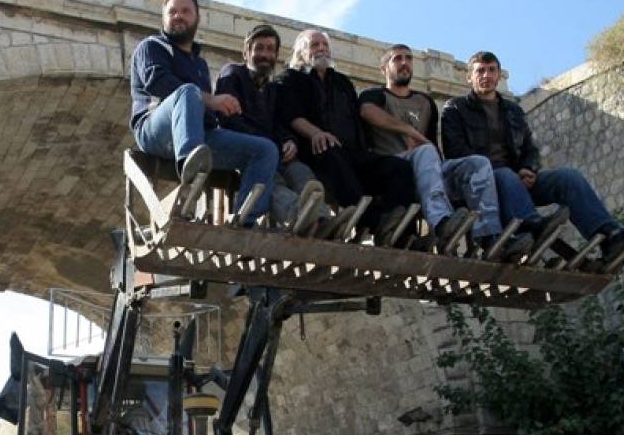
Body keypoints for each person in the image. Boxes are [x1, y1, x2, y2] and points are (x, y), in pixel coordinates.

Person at [441, 51, 624, 264]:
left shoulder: (512, 111)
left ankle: (610, 236)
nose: (486, 76)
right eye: (480, 71)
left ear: (498, 75)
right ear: (469, 77)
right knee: (504, 174)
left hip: (515, 181)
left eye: (491, 70)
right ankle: (531, 226)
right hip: (483, 184)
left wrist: (528, 168)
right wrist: (508, 172)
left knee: (568, 177)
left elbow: (529, 148)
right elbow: (456, 151)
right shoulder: (455, 108)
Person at [360, 44, 534, 259]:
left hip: (429, 169)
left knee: (477, 163)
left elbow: (434, 145)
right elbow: (368, 112)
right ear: (384, 69)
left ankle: (490, 237)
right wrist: (410, 132)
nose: (404, 62)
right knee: (424, 151)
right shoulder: (374, 95)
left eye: (408, 58)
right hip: (393, 167)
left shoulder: (425, 102)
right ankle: (442, 222)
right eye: (397, 59)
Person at [130, 0, 279, 225]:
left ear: (197, 18)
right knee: (188, 91)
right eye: (172, 12)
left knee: (266, 150)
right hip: (155, 130)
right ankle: (190, 180)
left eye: (185, 11)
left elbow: (206, 113)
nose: (178, 16)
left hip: (199, 135)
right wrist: (211, 100)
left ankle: (245, 222)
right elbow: (158, 83)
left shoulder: (199, 63)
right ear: (164, 18)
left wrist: (222, 114)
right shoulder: (152, 46)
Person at [278, 29, 418, 243]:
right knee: (330, 148)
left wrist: (367, 149)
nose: (321, 49)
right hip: (316, 152)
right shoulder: (291, 78)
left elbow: (357, 120)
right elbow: (291, 115)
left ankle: (402, 232)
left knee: (399, 167)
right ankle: (372, 221)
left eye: (325, 45)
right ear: (300, 52)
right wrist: (316, 133)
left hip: (352, 153)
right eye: (314, 45)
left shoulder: (342, 82)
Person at [213, 24, 324, 230]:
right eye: (259, 48)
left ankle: (323, 218)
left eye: (270, 49)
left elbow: (277, 123)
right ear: (246, 52)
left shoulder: (272, 88)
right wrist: (269, 143)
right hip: (247, 150)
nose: (265, 54)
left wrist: (288, 140)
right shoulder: (233, 74)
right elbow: (229, 119)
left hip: (274, 148)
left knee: (301, 173)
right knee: (273, 181)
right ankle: (298, 215)